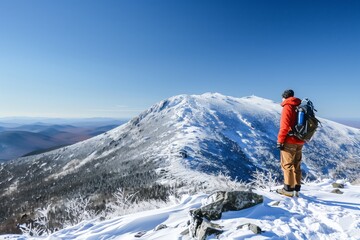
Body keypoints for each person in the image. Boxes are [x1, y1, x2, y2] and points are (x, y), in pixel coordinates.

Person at [276, 89, 305, 197]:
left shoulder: (287, 106)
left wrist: (280, 141)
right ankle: (296, 189)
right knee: (296, 165)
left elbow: (284, 126)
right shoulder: (299, 106)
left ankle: (288, 190)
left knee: (287, 165)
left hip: (290, 140)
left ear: (284, 97)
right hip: (300, 140)